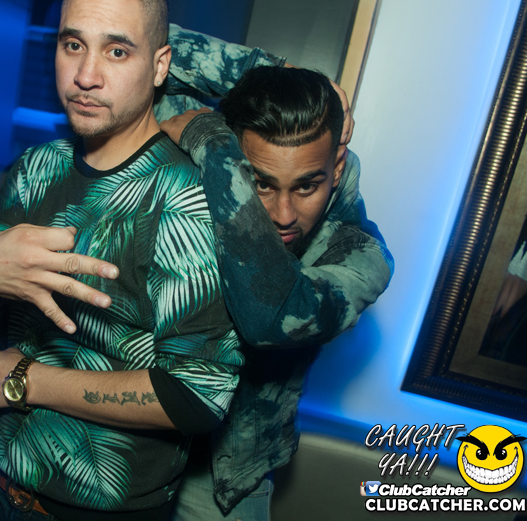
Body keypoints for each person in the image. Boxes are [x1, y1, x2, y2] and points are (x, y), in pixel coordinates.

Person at [0, 0, 241, 519]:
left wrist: (22, 381)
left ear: (160, 66)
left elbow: (198, 396)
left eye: (117, 51)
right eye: (73, 45)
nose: (85, 75)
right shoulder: (36, 168)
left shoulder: (184, 197)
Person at [159, 66, 393, 519]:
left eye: (307, 186)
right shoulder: (200, 171)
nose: (284, 214)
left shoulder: (361, 256)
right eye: (260, 183)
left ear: (336, 169)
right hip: (132, 446)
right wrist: (279, 68)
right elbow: (144, 48)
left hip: (223, 482)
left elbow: (270, 317)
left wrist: (214, 147)